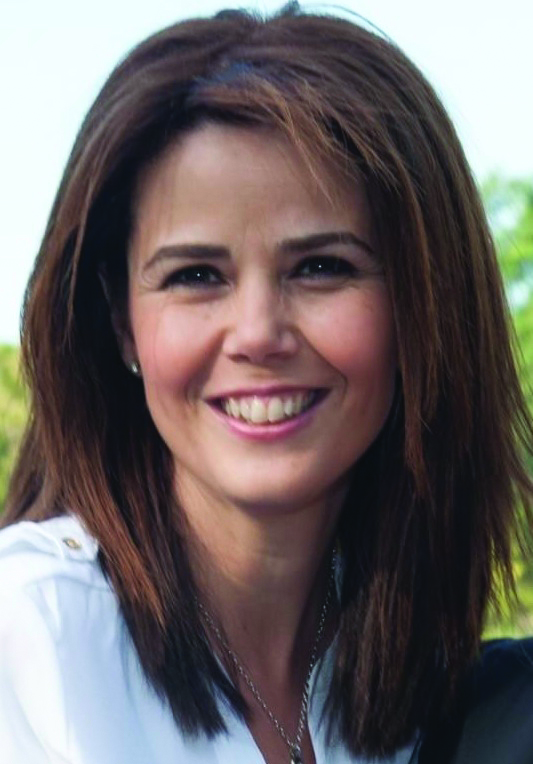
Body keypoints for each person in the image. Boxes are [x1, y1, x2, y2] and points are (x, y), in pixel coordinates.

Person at [0, 5, 531, 763]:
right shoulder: (29, 643)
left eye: (321, 268)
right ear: (121, 322)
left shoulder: (456, 707)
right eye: (195, 276)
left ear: (422, 303)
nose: (257, 333)